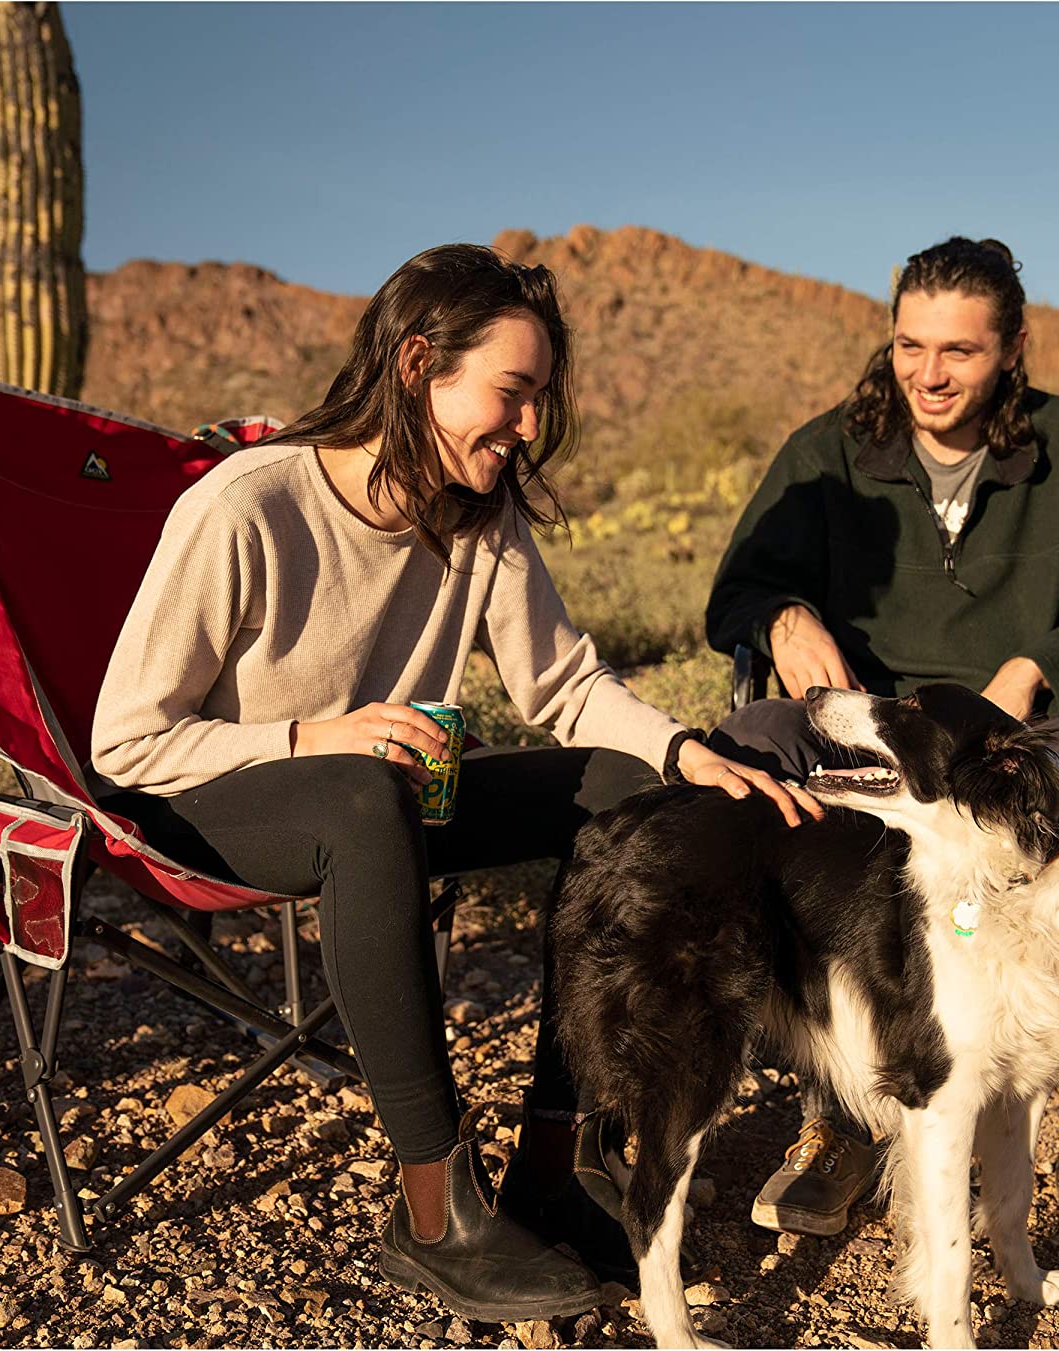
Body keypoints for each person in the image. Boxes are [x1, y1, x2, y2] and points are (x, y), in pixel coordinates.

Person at [90, 244, 818, 1321]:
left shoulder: (480, 514)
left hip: (383, 802)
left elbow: (564, 683)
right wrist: (312, 736)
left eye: (537, 402)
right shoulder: (250, 507)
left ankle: (558, 1155)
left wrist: (681, 753)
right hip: (222, 801)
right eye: (511, 395)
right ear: (418, 363)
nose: (527, 427)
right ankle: (433, 1205)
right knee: (358, 789)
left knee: (623, 784)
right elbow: (127, 741)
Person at [705, 237, 1059, 1278]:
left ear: (1012, 349)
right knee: (743, 744)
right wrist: (778, 617)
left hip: (1026, 740)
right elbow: (740, 584)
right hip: (872, 732)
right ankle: (845, 1110)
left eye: (958, 349)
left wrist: (1038, 663)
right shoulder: (827, 454)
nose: (928, 372)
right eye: (909, 344)